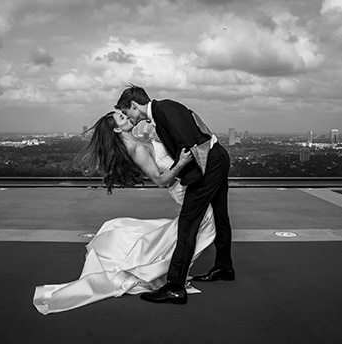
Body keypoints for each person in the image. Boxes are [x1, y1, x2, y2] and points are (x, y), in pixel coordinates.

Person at [33, 110, 216, 314]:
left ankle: (173, 272)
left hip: (190, 187)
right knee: (205, 224)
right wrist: (181, 163)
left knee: (197, 226)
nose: (128, 117)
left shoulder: (139, 141)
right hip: (182, 189)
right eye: (122, 118)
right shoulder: (136, 149)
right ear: (118, 129)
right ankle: (169, 274)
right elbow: (160, 180)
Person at [115, 84, 234, 305]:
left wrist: (188, 182)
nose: (128, 116)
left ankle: (176, 288)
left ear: (133, 105)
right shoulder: (162, 112)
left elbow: (190, 146)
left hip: (208, 165)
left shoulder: (163, 110)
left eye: (126, 111)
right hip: (215, 160)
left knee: (188, 223)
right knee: (220, 217)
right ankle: (224, 268)